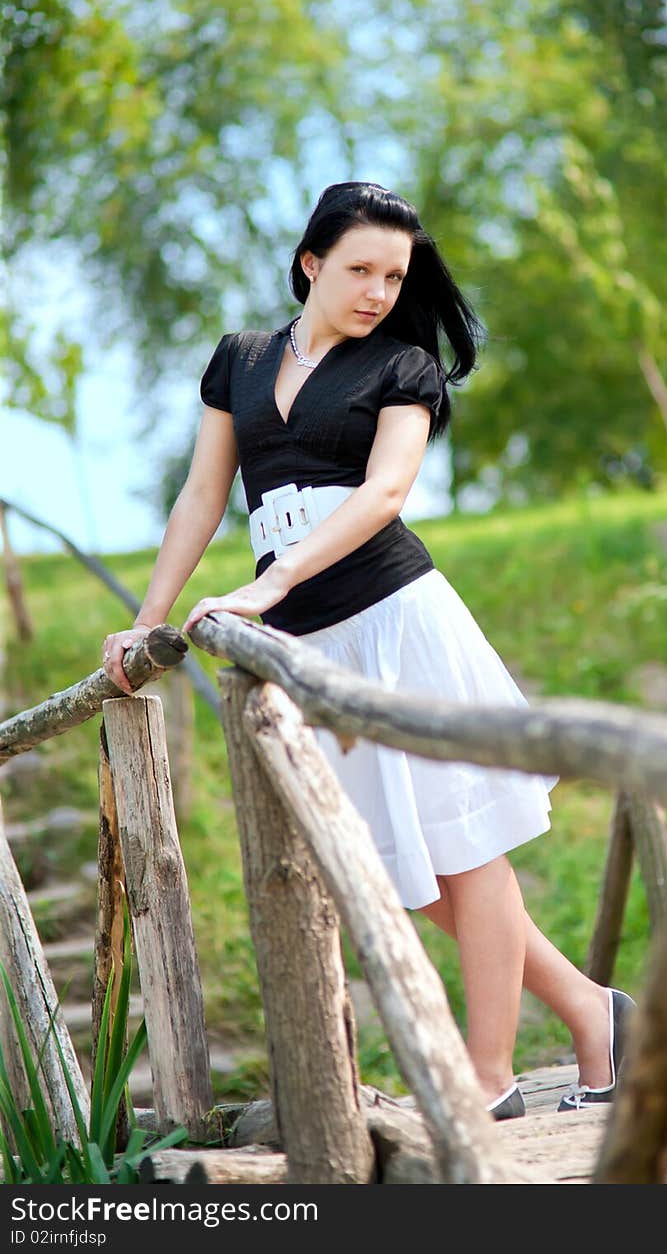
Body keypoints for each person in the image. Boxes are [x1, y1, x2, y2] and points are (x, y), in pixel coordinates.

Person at [100, 181, 635, 1119]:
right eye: (361, 270)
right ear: (311, 263)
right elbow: (202, 497)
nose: (381, 290)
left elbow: (386, 492)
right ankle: (595, 1011)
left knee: (466, 855)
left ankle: (489, 1073)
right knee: (409, 871)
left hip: (400, 620)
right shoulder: (240, 361)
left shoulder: (404, 369)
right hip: (315, 650)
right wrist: (152, 616)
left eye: (396, 274)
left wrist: (269, 582)